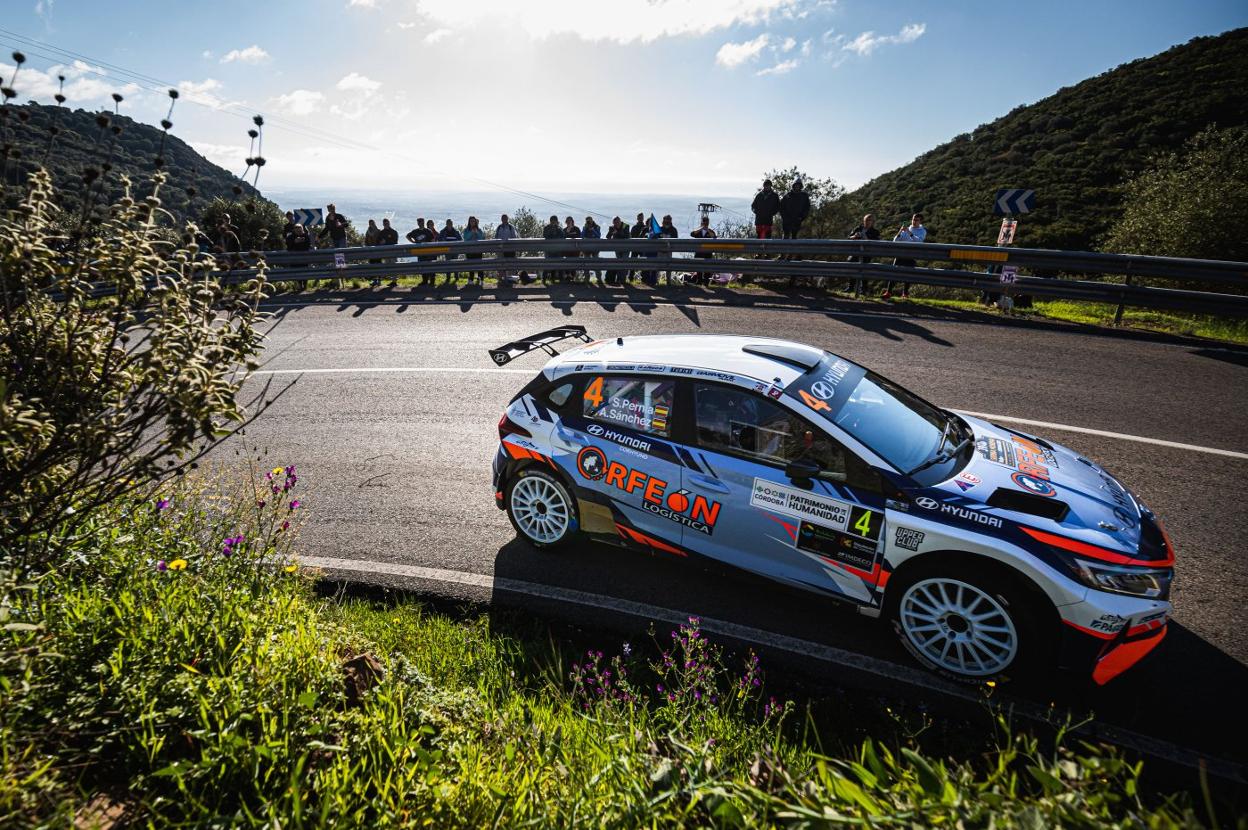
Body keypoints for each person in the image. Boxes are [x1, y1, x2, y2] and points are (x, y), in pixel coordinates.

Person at [885, 213, 926, 300]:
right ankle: (888, 292)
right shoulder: (907, 228)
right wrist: (900, 231)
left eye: (916, 220)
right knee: (893, 272)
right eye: (913, 219)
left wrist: (909, 232)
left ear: (920, 221)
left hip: (911, 255)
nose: (914, 221)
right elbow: (895, 241)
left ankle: (905, 294)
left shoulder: (922, 231)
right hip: (900, 254)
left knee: (907, 275)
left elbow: (919, 242)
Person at [779, 180, 811, 274]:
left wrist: (801, 218)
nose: (797, 187)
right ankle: (782, 255)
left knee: (794, 238)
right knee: (785, 238)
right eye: (795, 185)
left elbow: (807, 208)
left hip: (797, 222)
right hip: (787, 222)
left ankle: (790, 256)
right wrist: (785, 218)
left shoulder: (804, 196)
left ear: (800, 186)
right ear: (793, 186)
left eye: (798, 186)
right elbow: (781, 208)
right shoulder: (787, 196)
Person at [847, 213, 879, 295]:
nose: (868, 222)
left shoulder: (875, 232)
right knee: (851, 266)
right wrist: (854, 236)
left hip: (867, 254)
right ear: (863, 221)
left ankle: (863, 289)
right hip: (855, 252)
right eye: (866, 220)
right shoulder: (858, 228)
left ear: (873, 222)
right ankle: (851, 287)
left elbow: (876, 243)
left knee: (865, 271)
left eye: (869, 220)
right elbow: (849, 237)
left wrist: (865, 238)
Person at [406, 218, 437, 286]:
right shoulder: (415, 231)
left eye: (422, 222)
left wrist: (430, 248)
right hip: (420, 252)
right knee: (422, 266)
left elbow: (433, 240)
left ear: (423, 222)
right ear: (417, 223)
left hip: (428, 252)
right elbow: (407, 236)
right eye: (419, 222)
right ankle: (424, 281)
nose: (421, 223)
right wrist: (413, 242)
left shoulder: (428, 231)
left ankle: (432, 281)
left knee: (430, 266)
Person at [495, 213, 522, 285]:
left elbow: (515, 237)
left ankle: (511, 279)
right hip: (501, 249)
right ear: (501, 219)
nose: (504, 220)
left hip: (510, 249)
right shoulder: (499, 227)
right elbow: (496, 237)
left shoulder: (511, 227)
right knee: (501, 265)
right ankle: (502, 279)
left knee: (510, 265)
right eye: (503, 218)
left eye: (505, 218)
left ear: (507, 219)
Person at [690, 215, 717, 286]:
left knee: (707, 267)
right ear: (701, 222)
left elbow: (714, 237)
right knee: (698, 267)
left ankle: (706, 282)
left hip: (708, 252)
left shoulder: (710, 231)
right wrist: (701, 228)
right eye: (704, 221)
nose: (705, 223)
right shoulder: (698, 231)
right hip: (699, 252)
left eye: (706, 221)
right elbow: (692, 234)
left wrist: (707, 229)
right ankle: (699, 281)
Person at [462, 216, 486, 286]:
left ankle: (481, 279)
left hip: (478, 250)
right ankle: (471, 279)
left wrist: (477, 233)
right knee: (471, 265)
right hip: (469, 251)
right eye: (471, 221)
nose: (472, 222)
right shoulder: (466, 230)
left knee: (480, 265)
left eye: (473, 221)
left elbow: (482, 238)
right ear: (469, 222)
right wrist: (471, 233)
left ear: (475, 222)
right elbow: (466, 239)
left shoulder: (479, 230)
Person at [606, 216, 630, 285]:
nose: (616, 224)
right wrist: (611, 232)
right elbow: (608, 237)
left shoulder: (626, 226)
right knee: (619, 263)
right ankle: (619, 279)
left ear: (620, 221)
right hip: (617, 248)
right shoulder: (612, 227)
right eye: (615, 223)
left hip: (626, 248)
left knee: (624, 263)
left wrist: (617, 232)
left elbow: (626, 236)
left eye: (617, 222)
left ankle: (623, 280)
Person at [439, 219, 462, 285]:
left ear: (452, 224)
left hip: (455, 250)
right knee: (448, 263)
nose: (449, 224)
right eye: (448, 223)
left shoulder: (456, 232)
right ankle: (448, 277)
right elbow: (439, 240)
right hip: (447, 250)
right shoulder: (443, 232)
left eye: (450, 223)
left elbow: (461, 240)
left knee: (455, 263)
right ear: (446, 224)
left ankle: (456, 277)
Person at [542, 214, 564, 284]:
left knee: (557, 264)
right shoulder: (547, 228)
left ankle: (553, 279)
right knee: (547, 265)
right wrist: (551, 230)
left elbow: (562, 236)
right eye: (553, 221)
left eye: (555, 221)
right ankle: (544, 279)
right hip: (548, 249)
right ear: (550, 221)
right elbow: (545, 235)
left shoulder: (559, 228)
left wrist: (556, 229)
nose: (554, 223)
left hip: (556, 250)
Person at [378, 218, 399, 286]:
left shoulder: (393, 232)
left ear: (389, 223)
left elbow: (395, 241)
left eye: (387, 223)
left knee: (394, 266)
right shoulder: (381, 232)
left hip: (393, 251)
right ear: (383, 224)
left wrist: (385, 241)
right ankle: (392, 280)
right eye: (384, 224)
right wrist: (381, 242)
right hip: (385, 252)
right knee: (388, 266)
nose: (386, 224)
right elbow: (378, 242)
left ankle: (394, 281)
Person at [582, 216, 603, 285]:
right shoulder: (585, 227)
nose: (588, 222)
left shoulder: (597, 226)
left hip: (595, 248)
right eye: (587, 221)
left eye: (589, 221)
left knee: (596, 263)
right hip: (586, 248)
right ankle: (587, 279)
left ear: (592, 220)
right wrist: (585, 228)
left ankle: (599, 279)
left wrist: (593, 229)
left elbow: (598, 236)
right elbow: (582, 236)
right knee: (586, 263)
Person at [659, 215, 678, 285]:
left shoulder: (673, 230)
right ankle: (656, 280)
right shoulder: (659, 229)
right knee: (658, 265)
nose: (666, 221)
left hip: (669, 251)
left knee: (668, 266)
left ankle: (668, 281)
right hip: (660, 250)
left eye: (668, 220)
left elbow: (676, 240)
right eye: (665, 220)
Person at [562, 216, 582, 282]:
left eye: (570, 221)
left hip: (575, 249)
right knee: (567, 262)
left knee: (574, 262)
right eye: (567, 221)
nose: (568, 223)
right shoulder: (564, 230)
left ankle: (573, 276)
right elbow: (562, 238)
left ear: (572, 222)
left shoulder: (577, 229)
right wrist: (567, 232)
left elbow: (579, 237)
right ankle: (568, 275)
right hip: (566, 249)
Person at [363, 219, 383, 285]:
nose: (371, 224)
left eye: (372, 223)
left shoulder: (379, 231)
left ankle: (379, 280)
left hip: (378, 251)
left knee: (378, 265)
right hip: (371, 251)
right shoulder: (367, 232)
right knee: (372, 265)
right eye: (370, 223)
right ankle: (374, 280)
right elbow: (366, 241)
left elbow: (381, 241)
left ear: (374, 223)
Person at [630, 212, 647, 281]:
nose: (640, 219)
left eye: (641, 217)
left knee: (643, 263)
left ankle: (644, 278)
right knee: (633, 263)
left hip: (642, 247)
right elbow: (631, 237)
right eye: (639, 217)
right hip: (635, 247)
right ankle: (631, 277)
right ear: (637, 218)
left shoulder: (645, 227)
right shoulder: (634, 227)